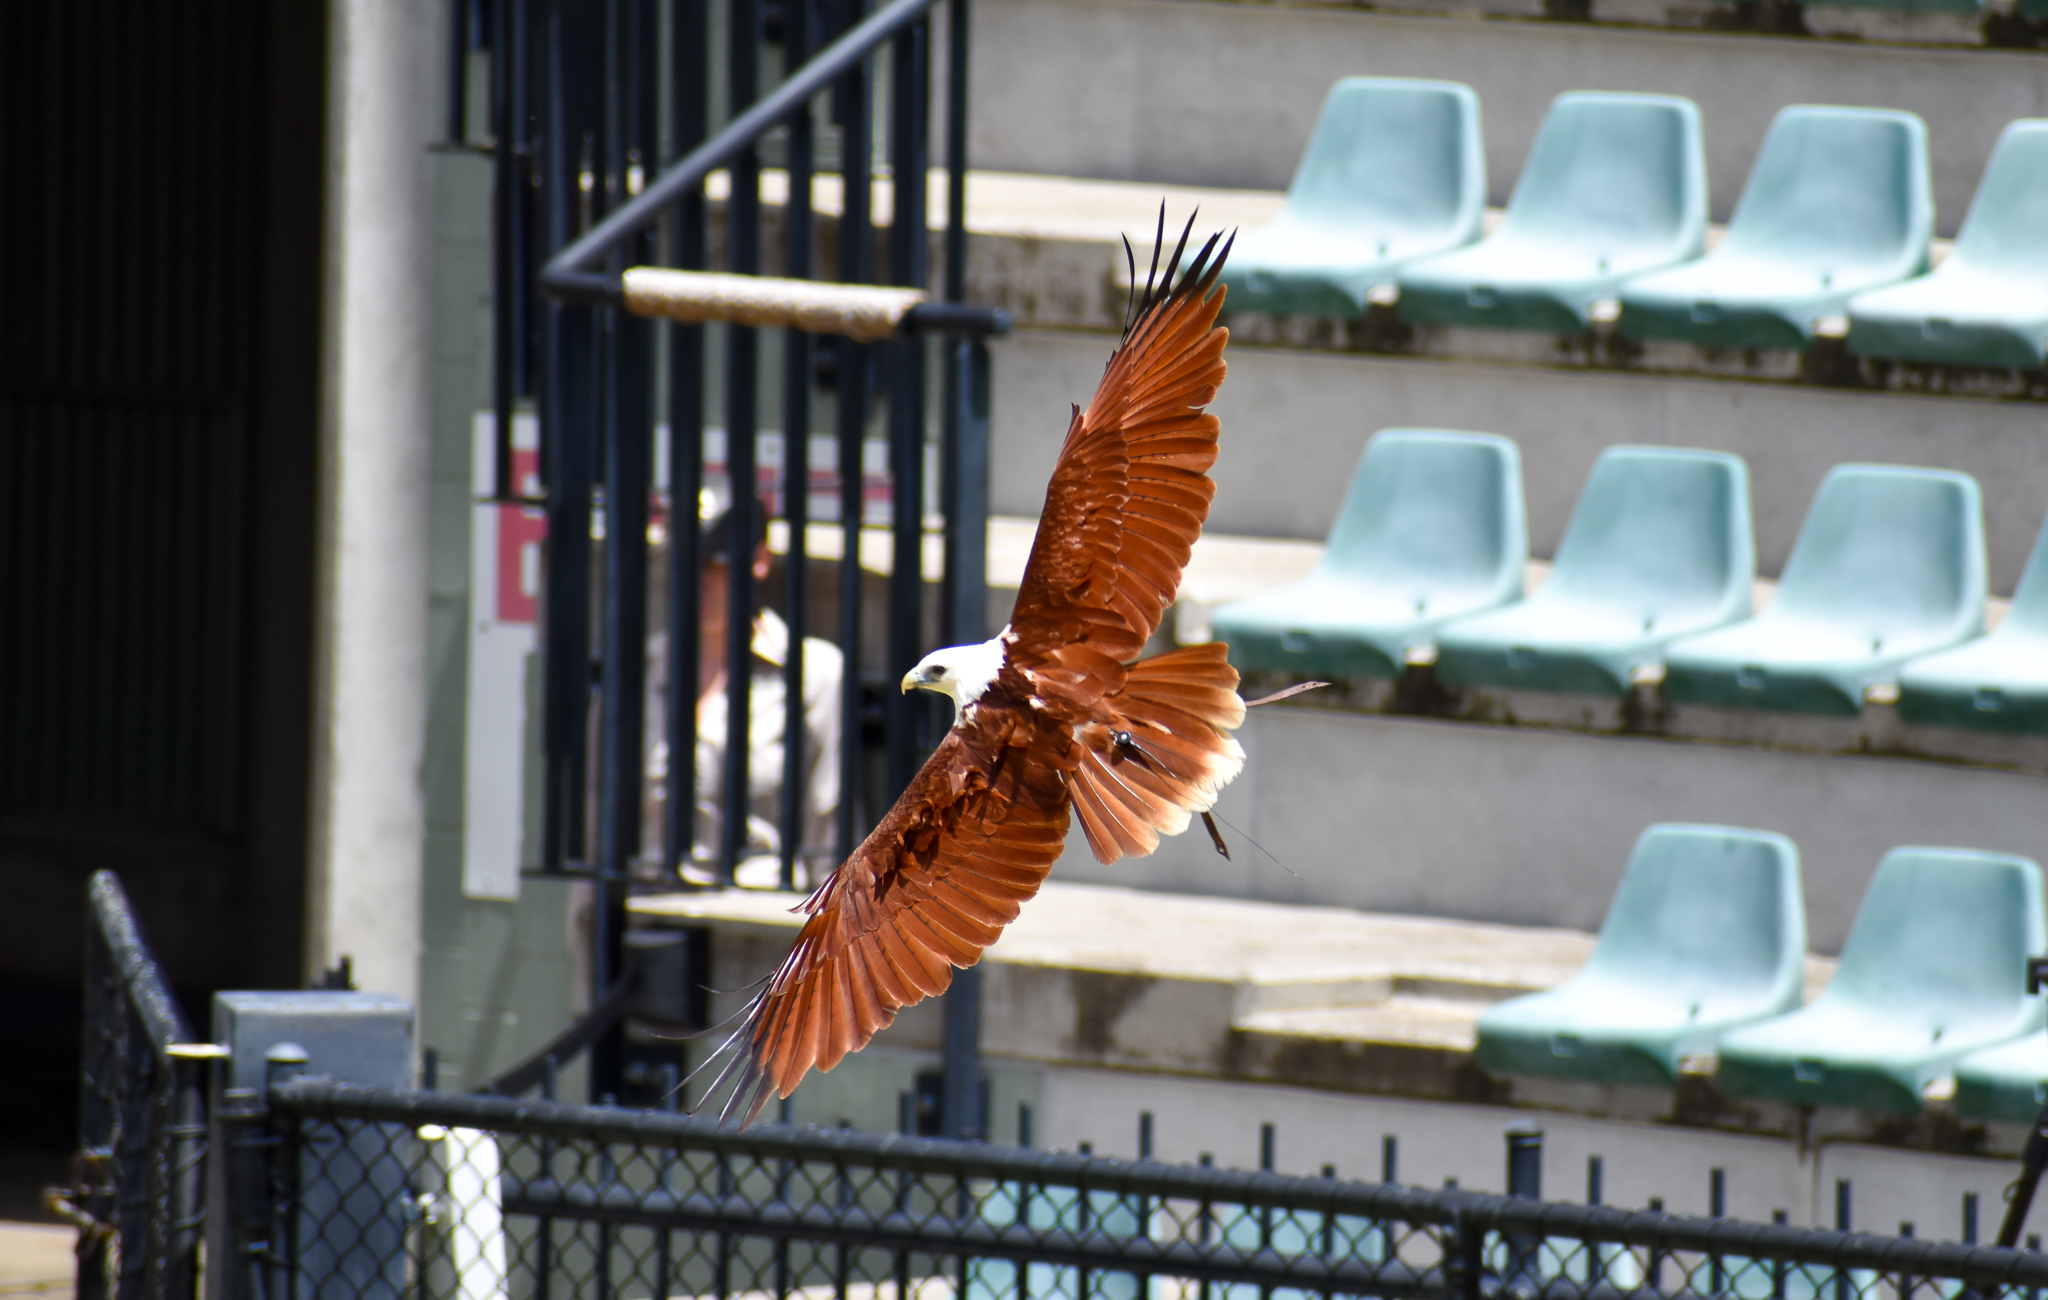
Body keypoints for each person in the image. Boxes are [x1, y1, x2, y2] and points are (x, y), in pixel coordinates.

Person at [647, 504, 843, 889]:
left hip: (757, 914)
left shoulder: (813, 673)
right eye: (688, 560)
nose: (701, 578)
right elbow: (596, 827)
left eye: (717, 562)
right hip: (648, 914)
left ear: (760, 560)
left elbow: (829, 829)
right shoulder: (642, 668)